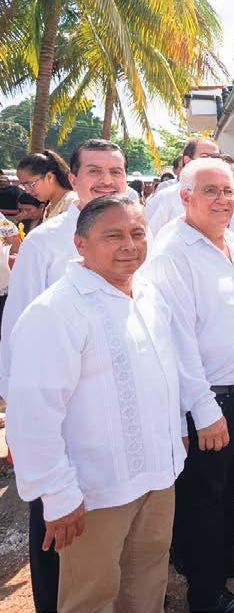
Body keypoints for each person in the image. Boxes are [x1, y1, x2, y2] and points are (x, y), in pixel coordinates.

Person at [6, 196, 185, 612]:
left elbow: (164, 375)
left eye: (137, 233)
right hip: (94, 492)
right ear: (80, 243)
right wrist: (57, 493)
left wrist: (175, 434)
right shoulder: (55, 311)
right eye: (113, 236)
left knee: (147, 584)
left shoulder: (148, 295)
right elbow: (32, 415)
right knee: (91, 597)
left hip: (157, 477)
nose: (129, 245)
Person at [0, 139, 128, 612]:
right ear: (72, 178)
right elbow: (14, 338)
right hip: (61, 418)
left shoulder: (134, 233)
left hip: (115, 413)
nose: (106, 181)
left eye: (115, 172)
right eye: (95, 171)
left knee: (105, 537)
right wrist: (21, 424)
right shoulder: (45, 244)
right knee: (57, 527)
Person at [141, 158, 234, 612]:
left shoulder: (229, 239)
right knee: (204, 500)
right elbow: (177, 340)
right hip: (212, 400)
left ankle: (227, 555)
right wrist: (204, 410)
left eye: (229, 190)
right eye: (211, 190)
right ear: (185, 197)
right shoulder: (173, 252)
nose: (222, 199)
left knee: (228, 488)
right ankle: (206, 593)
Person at [146, 137, 220, 232]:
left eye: (216, 158)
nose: (211, 162)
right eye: (204, 157)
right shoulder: (167, 198)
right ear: (187, 160)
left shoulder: (223, 199)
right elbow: (149, 235)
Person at [15, 150, 75, 221]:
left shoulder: (72, 203)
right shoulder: (49, 207)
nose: (27, 191)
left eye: (30, 184)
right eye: (23, 185)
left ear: (49, 177)